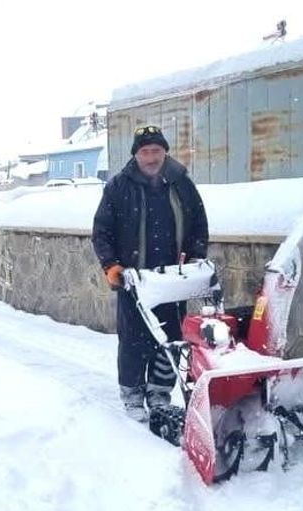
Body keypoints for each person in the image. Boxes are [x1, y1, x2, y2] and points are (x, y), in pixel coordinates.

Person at [91, 125, 209, 422]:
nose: (151, 157)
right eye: (145, 151)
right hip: (134, 280)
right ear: (136, 154)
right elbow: (102, 231)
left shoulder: (181, 183)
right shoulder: (118, 187)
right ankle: (132, 395)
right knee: (133, 339)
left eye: (156, 150)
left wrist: (195, 257)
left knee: (171, 338)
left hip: (173, 279)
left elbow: (198, 224)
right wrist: (110, 265)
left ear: (165, 151)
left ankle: (159, 392)